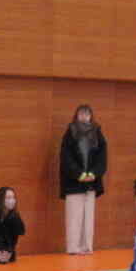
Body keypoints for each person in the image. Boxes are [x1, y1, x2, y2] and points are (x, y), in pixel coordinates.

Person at [58, 104, 106, 255]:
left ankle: (87, 247)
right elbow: (66, 157)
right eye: (81, 113)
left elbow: (102, 157)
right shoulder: (70, 132)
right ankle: (73, 248)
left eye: (87, 113)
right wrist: (78, 174)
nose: (84, 116)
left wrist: (94, 173)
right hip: (74, 182)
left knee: (88, 217)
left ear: (91, 116)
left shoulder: (97, 132)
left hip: (91, 181)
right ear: (76, 115)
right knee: (74, 216)